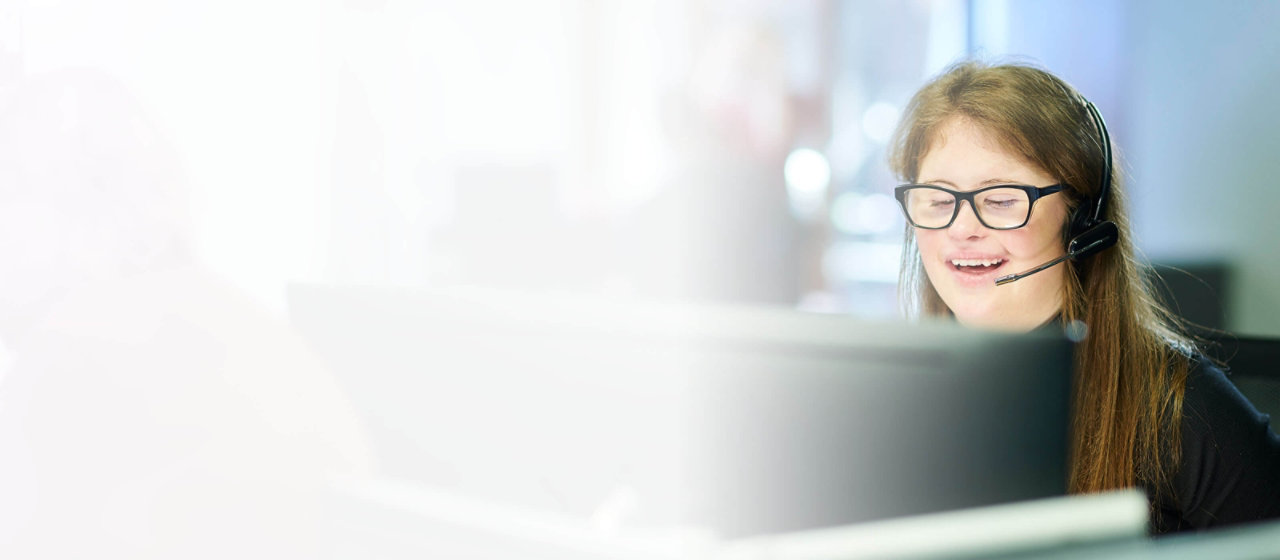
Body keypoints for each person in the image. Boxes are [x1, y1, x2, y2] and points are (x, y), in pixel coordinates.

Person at [888, 61, 1280, 533]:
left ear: (1080, 222)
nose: (963, 228)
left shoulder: (1180, 407)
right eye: (938, 199)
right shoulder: (891, 401)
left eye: (1001, 200)